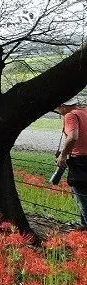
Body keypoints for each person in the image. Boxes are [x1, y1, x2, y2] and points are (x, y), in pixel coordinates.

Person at [56, 97, 87, 229]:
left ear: (63, 105)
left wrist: (63, 155)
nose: (58, 111)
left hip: (80, 161)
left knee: (82, 196)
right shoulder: (85, 111)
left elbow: (73, 136)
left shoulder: (70, 115)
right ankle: (83, 225)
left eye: (58, 108)